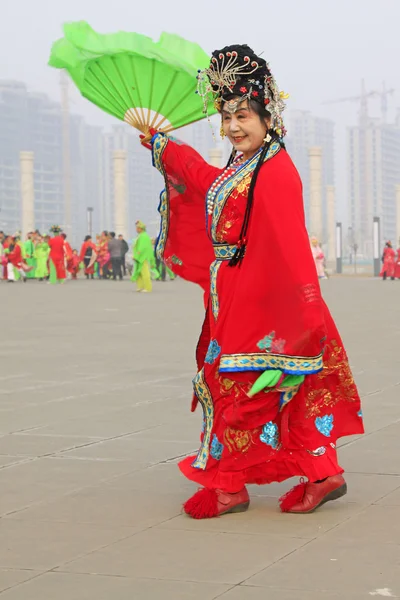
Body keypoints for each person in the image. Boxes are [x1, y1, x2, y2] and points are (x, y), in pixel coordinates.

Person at [140, 44, 363, 518]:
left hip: (265, 303)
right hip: (236, 294)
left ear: (267, 115)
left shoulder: (277, 171)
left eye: (242, 115)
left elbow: (290, 249)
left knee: (239, 390)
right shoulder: (246, 165)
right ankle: (324, 474)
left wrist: (302, 318)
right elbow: (203, 180)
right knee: (286, 392)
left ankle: (228, 487)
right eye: (225, 117)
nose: (233, 126)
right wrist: (165, 147)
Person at [131, 221, 157, 292]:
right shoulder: (140, 236)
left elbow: (142, 248)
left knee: (145, 273)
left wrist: (137, 255)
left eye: (137, 228)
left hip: (143, 258)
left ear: (140, 229)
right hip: (139, 257)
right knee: (139, 273)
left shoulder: (144, 236)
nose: (136, 229)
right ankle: (140, 286)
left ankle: (148, 288)